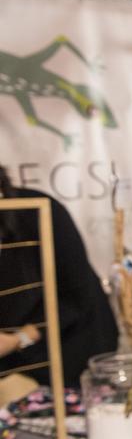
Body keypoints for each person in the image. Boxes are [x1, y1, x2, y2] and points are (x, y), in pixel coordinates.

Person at [0, 166, 118, 387]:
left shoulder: (38, 211)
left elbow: (76, 295)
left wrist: (18, 339)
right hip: (13, 365)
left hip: (72, 349)